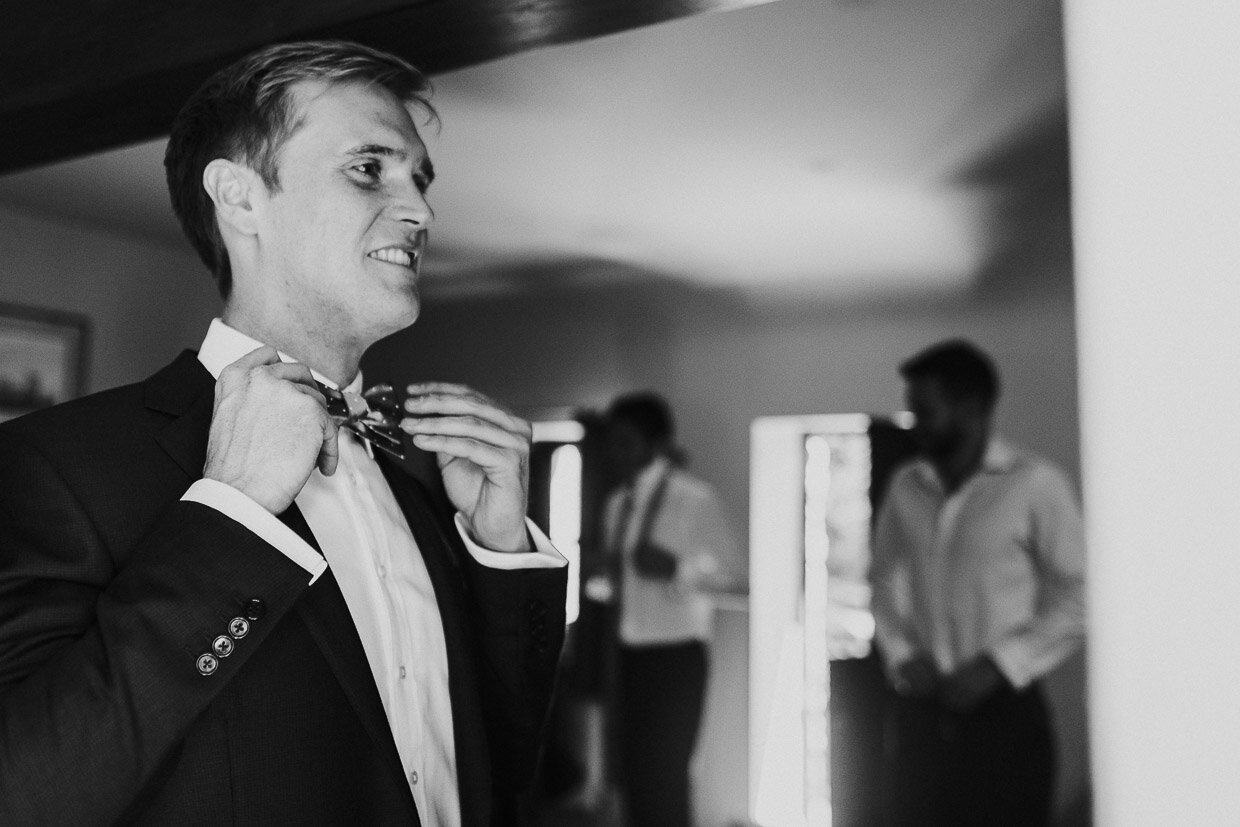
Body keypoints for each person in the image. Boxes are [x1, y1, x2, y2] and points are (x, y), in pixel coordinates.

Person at [0, 40, 567, 825]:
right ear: (238, 198)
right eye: (369, 168)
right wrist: (230, 511)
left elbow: (497, 770)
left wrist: (502, 554)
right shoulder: (57, 468)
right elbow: (28, 793)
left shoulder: (428, 484)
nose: (423, 211)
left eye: (420, 179)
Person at [869, 339, 1085, 826]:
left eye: (924, 411)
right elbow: (881, 581)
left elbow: (1084, 595)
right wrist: (902, 655)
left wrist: (999, 665)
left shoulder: (1034, 484)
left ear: (971, 407)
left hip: (1005, 720)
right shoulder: (905, 485)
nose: (913, 424)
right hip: (920, 716)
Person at [593, 391, 742, 827]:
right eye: (611, 441)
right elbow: (618, 589)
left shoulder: (695, 500)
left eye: (625, 441)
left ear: (656, 444)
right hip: (626, 657)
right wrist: (602, 577)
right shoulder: (616, 505)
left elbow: (733, 578)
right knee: (631, 777)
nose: (614, 452)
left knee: (666, 778)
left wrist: (677, 568)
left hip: (676, 659)